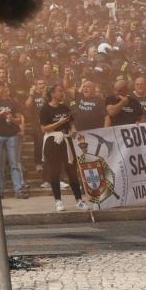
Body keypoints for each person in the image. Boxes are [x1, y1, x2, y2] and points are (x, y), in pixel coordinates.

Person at [39, 83, 87, 212]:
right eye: (59, 91)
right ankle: (58, 201)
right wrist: (59, 123)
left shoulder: (64, 107)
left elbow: (71, 122)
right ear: (52, 94)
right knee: (55, 172)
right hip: (53, 141)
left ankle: (79, 200)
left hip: (66, 140)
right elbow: (44, 128)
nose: (62, 93)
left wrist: (73, 129)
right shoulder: (45, 109)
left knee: (72, 171)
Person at [0, 81, 27, 199]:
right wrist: (1, 113)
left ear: (5, 88)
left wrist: (12, 118)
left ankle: (18, 190)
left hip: (12, 135)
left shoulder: (13, 102)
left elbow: (19, 121)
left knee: (14, 164)